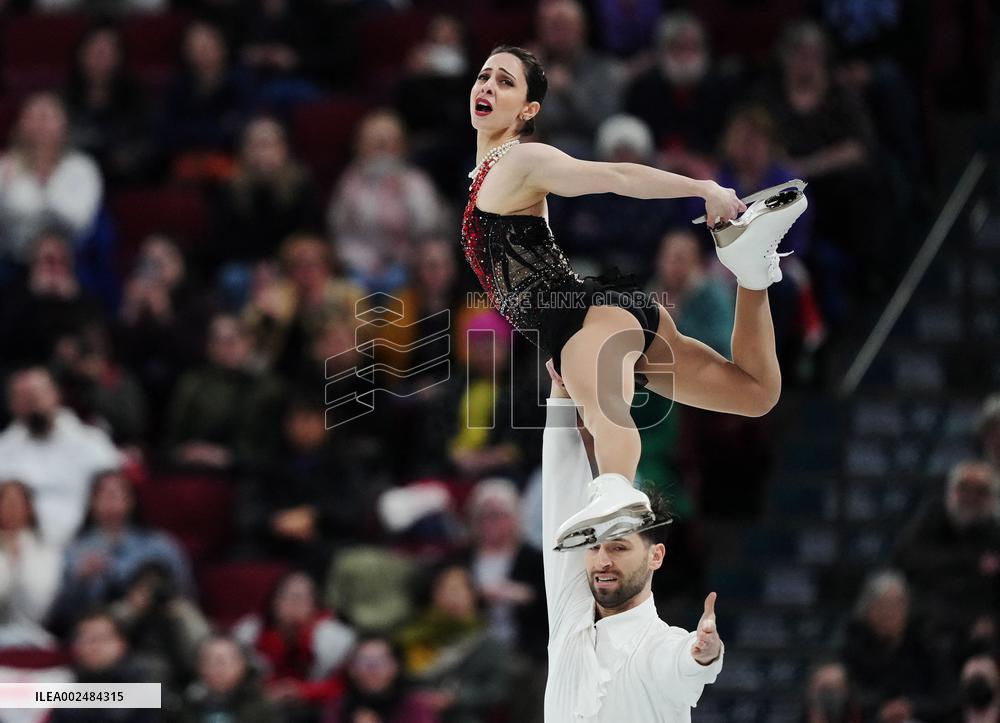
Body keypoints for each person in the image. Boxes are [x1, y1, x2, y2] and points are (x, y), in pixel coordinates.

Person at [463, 45, 802, 508]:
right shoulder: (486, 175)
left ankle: (616, 500)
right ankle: (751, 271)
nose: (488, 85)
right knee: (756, 394)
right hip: (591, 321)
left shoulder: (521, 161)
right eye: (485, 75)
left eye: (505, 81)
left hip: (584, 320)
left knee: (606, 415)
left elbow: (616, 176)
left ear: (529, 109)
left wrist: (700, 188)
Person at [540, 368, 723, 721]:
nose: (602, 559)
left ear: (656, 555)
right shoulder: (571, 612)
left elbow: (687, 661)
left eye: (619, 547)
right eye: (594, 547)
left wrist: (705, 653)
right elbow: (560, 485)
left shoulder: (661, 646)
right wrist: (561, 387)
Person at [0, 368, 121, 547]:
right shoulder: (4, 449)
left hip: (86, 544)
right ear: (12, 404)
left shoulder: (91, 441)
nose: (33, 403)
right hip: (20, 550)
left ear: (56, 395)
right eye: (24, 397)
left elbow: (116, 492)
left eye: (37, 395)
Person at [0, 479, 61, 649]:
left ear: (29, 508)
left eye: (17, 502)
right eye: (5, 502)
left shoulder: (45, 549)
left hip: (32, 631)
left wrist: (20, 561)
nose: (11, 509)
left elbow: (41, 600)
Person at [323, 636, 439, 723]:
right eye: (363, 661)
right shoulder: (338, 709)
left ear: (396, 667)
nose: (373, 669)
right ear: (351, 670)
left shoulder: (415, 706)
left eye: (381, 660)